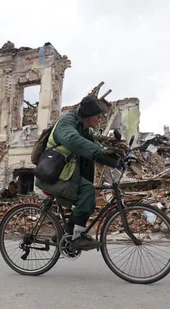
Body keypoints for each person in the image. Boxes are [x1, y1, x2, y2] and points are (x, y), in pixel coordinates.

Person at [35, 95, 121, 251]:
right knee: (87, 191)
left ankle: (67, 234)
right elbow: (73, 140)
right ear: (88, 116)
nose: (98, 119)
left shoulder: (84, 128)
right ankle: (77, 237)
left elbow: (93, 147)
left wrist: (116, 160)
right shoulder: (67, 123)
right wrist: (100, 151)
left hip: (64, 173)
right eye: (97, 116)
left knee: (89, 199)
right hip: (52, 174)